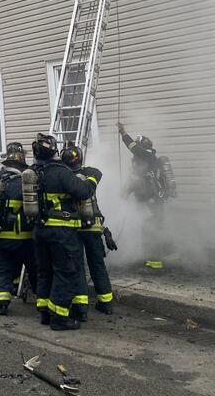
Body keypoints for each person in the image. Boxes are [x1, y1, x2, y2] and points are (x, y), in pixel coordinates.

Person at [32, 133, 100, 331]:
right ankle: (60, 318)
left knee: (45, 271)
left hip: (40, 231)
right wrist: (93, 178)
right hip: (61, 232)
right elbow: (84, 191)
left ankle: (46, 313)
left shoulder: (34, 172)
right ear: (54, 151)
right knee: (66, 272)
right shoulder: (61, 172)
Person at [61, 143, 116, 317]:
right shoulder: (91, 172)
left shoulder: (64, 177)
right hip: (93, 228)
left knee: (77, 266)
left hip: (74, 228)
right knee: (97, 264)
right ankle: (106, 303)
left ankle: (81, 308)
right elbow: (98, 173)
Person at [0, 142, 38, 316]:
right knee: (35, 269)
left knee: (2, 269)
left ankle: (1, 303)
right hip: (25, 239)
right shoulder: (24, 184)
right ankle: (43, 301)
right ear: (21, 166)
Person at [118, 123, 175, 270]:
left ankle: (155, 262)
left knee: (150, 229)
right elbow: (137, 179)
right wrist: (127, 190)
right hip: (152, 201)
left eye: (138, 148)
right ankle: (171, 255)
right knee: (157, 227)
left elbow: (133, 148)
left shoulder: (147, 155)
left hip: (152, 201)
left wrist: (124, 134)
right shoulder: (144, 161)